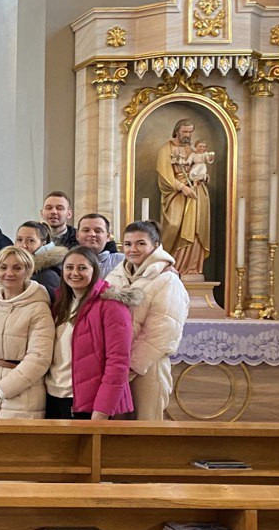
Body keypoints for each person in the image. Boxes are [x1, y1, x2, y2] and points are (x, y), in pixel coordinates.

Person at [105, 221, 189, 421]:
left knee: (146, 423)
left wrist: (130, 367)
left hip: (147, 366)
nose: (132, 249)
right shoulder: (116, 274)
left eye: (141, 243)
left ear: (155, 245)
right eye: (128, 244)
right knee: (116, 428)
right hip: (116, 364)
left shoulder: (167, 279)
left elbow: (163, 330)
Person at [46, 247, 136, 420]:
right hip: (54, 394)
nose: (74, 273)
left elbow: (118, 361)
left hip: (89, 403)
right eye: (69, 267)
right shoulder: (60, 302)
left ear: (94, 271)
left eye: (82, 268)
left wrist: (103, 409)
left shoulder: (111, 305)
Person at [0, 246, 54, 419]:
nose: (9, 273)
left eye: (17, 268)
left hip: (21, 393)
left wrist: (2, 389)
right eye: (3, 267)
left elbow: (39, 357)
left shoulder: (39, 307)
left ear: (27, 271)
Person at [157, 119, 211, 274]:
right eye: (184, 131)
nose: (188, 135)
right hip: (176, 194)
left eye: (190, 132)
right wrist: (182, 187)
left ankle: (192, 268)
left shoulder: (193, 150)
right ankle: (170, 266)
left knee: (195, 230)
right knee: (174, 225)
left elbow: (201, 167)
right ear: (176, 131)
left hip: (197, 192)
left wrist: (205, 177)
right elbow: (165, 175)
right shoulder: (165, 149)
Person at [15, 220, 67, 298]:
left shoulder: (47, 275)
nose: (23, 245)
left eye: (31, 240)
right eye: (19, 240)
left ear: (44, 243)